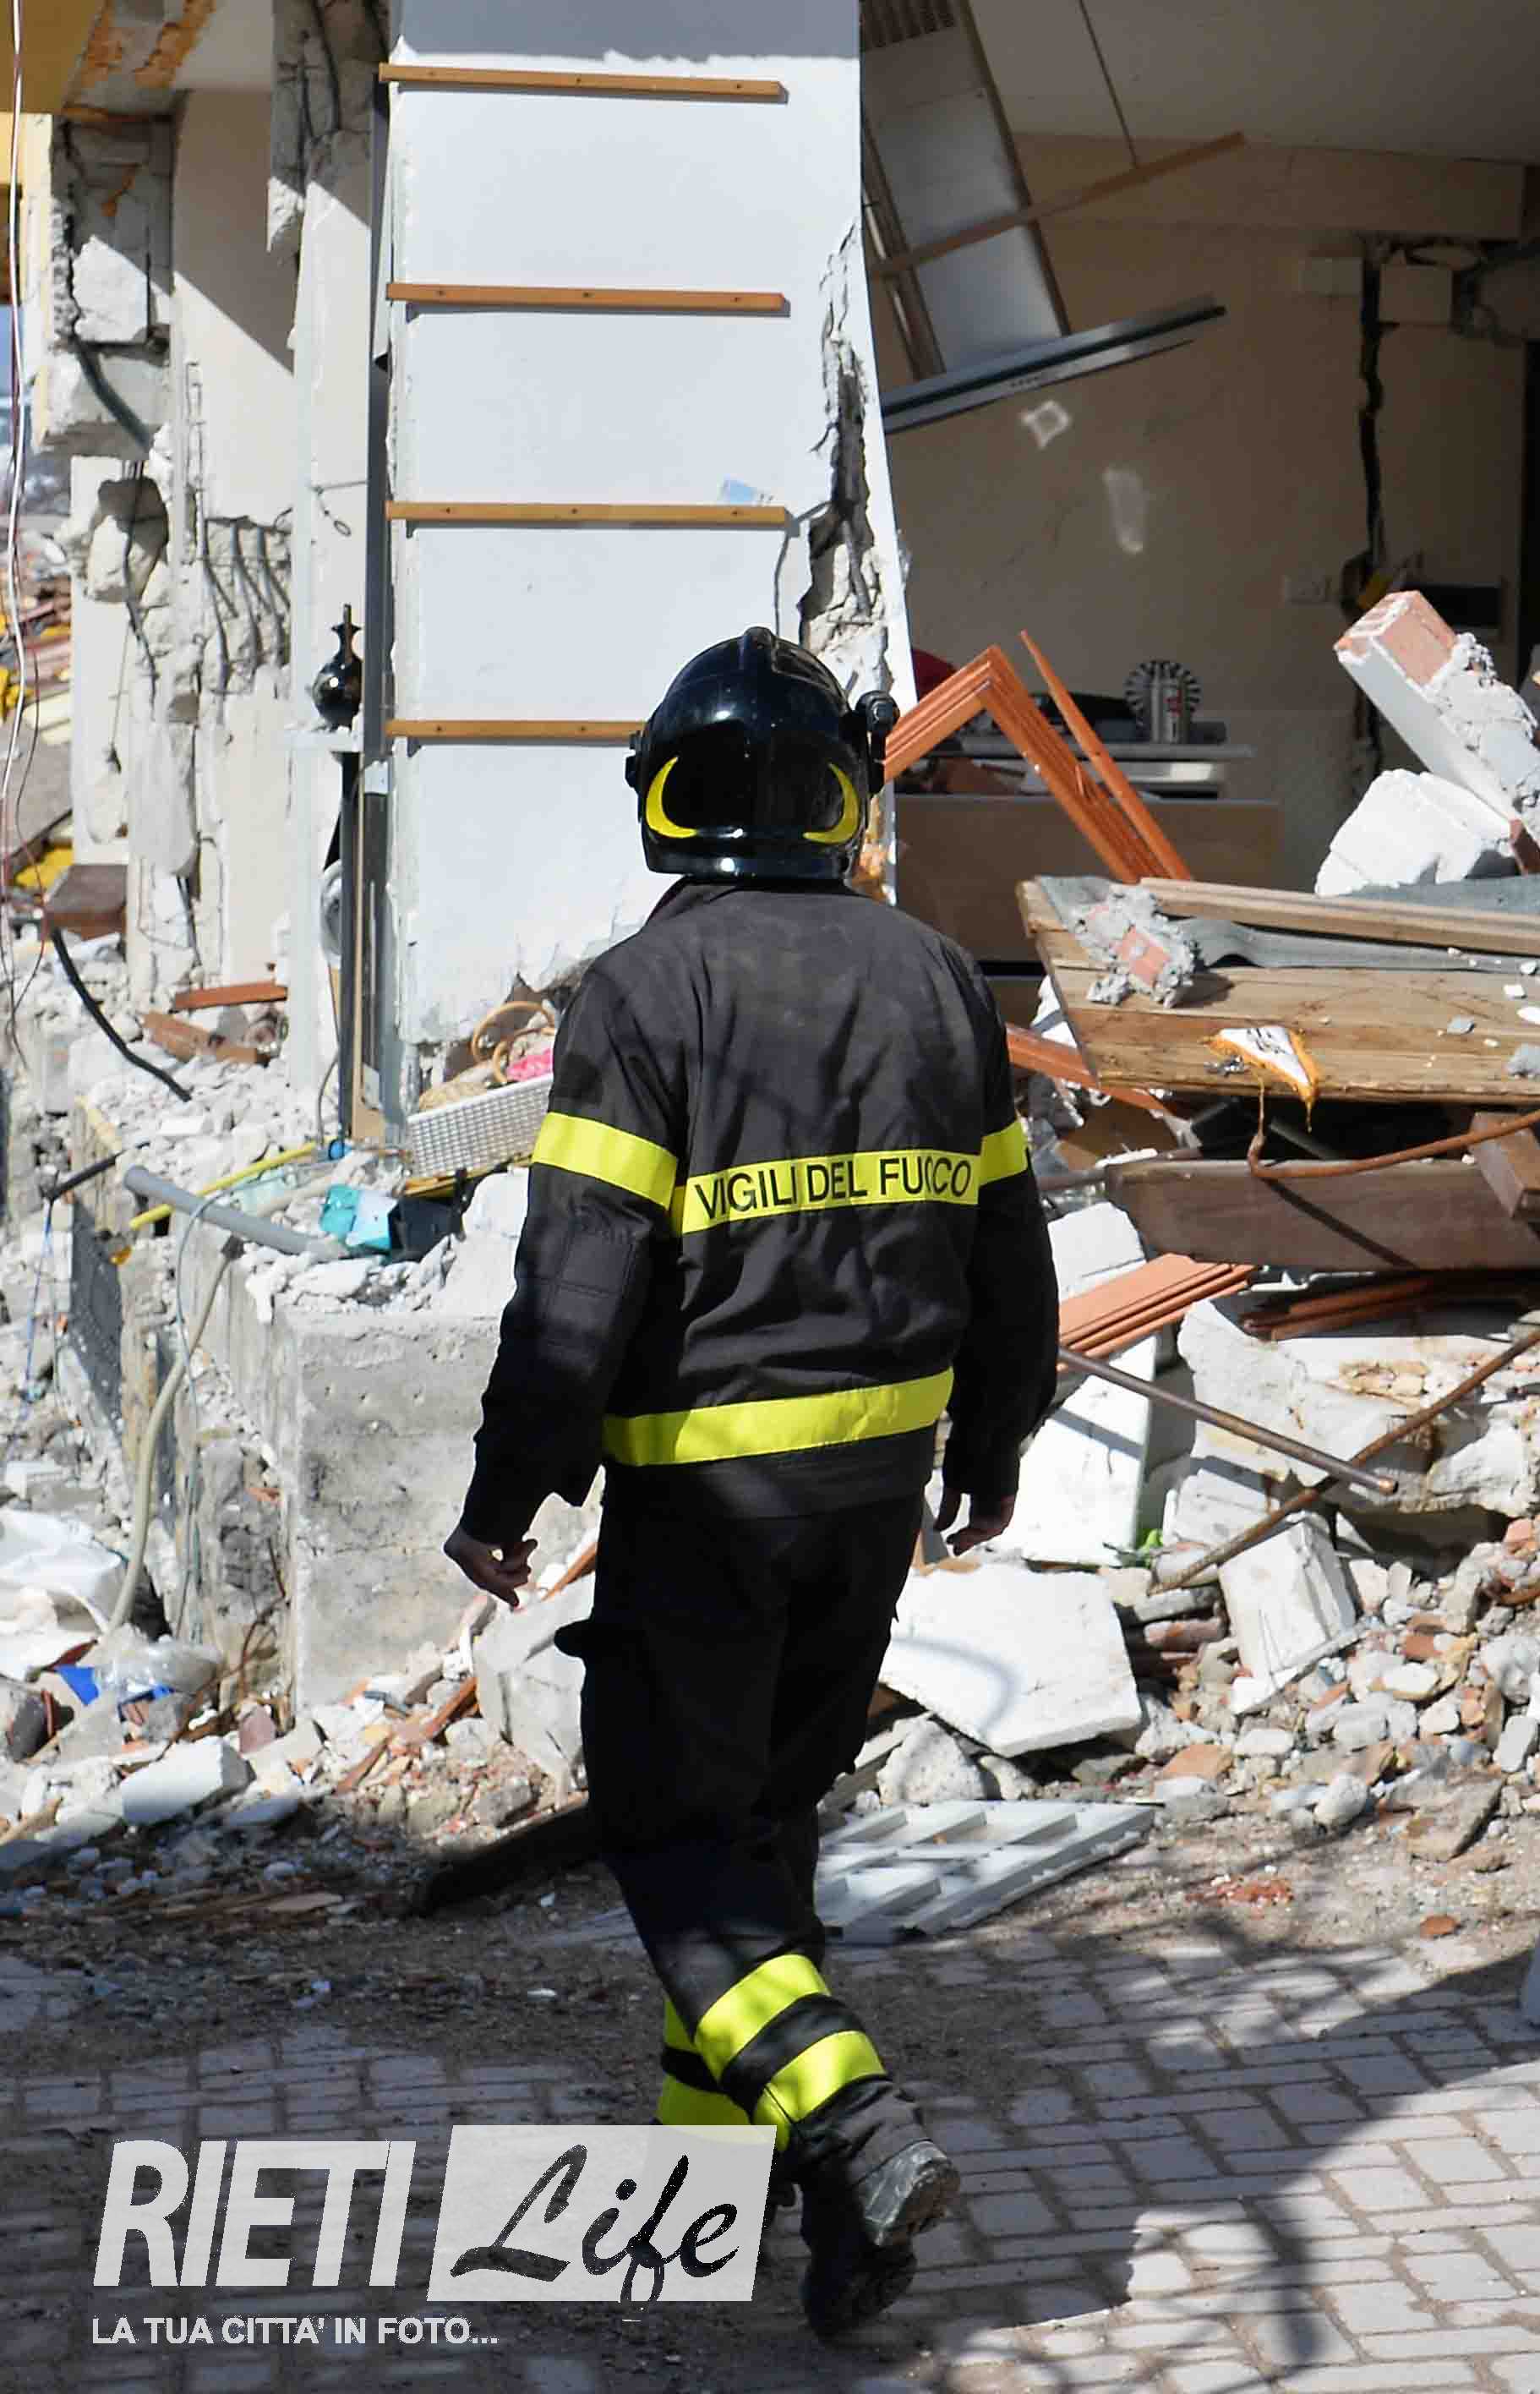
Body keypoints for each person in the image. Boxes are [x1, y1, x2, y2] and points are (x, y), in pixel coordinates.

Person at [443, 627, 1058, 2337]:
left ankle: (852, 2125)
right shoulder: (935, 978)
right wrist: (995, 1443)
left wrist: (508, 1490)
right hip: (873, 1502)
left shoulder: (642, 995)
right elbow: (1010, 1254)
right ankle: (710, 2210)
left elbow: (578, 1283)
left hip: (706, 1504)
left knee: (674, 1841)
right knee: (759, 1851)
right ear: (842, 800)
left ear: (668, 800)